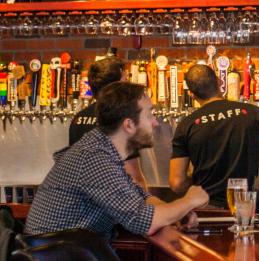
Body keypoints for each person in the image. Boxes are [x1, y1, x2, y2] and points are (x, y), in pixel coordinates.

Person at [24, 82, 209, 240]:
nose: (155, 123)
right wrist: (189, 201)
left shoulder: (102, 150)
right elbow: (144, 222)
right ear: (128, 125)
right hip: (53, 255)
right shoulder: (94, 157)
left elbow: (139, 197)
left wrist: (175, 213)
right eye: (149, 115)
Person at [169, 64, 259, 208]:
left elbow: (177, 183)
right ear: (219, 82)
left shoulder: (186, 125)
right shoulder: (254, 113)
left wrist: (198, 182)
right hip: (246, 209)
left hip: (206, 212)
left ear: (191, 94)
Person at [69, 56, 147, 189]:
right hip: (113, 200)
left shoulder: (78, 119)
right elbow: (133, 177)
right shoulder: (120, 118)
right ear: (115, 88)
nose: (127, 85)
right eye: (124, 80)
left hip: (83, 200)